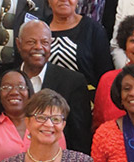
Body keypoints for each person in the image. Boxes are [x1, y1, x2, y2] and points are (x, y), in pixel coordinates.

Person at [16, 20, 92, 154]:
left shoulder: (73, 82)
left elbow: (80, 137)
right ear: (19, 44)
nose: (38, 47)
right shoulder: (6, 82)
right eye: (31, 42)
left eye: (44, 42)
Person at [40, 0, 113, 90]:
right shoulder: (40, 28)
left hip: (84, 101)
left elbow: (105, 75)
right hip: (45, 103)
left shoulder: (93, 30)